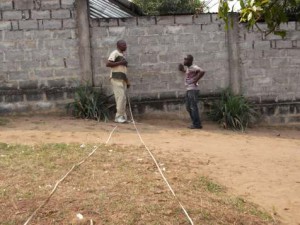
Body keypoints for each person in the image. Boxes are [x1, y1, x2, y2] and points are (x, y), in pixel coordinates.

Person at [178, 54, 205, 129]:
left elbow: (202, 71)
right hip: (189, 89)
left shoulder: (194, 67)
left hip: (193, 90)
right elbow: (188, 73)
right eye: (184, 59)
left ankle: (197, 124)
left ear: (190, 61)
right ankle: (195, 123)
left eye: (186, 59)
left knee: (193, 107)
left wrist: (196, 80)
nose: (184, 61)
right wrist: (182, 70)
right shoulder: (189, 68)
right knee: (188, 107)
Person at [106, 40, 130, 123]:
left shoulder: (122, 55)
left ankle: (123, 116)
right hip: (116, 78)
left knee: (123, 98)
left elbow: (124, 70)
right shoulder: (115, 53)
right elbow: (108, 64)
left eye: (125, 45)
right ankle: (118, 117)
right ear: (118, 46)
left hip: (122, 79)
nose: (125, 46)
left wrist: (127, 82)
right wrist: (121, 62)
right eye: (123, 45)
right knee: (120, 97)